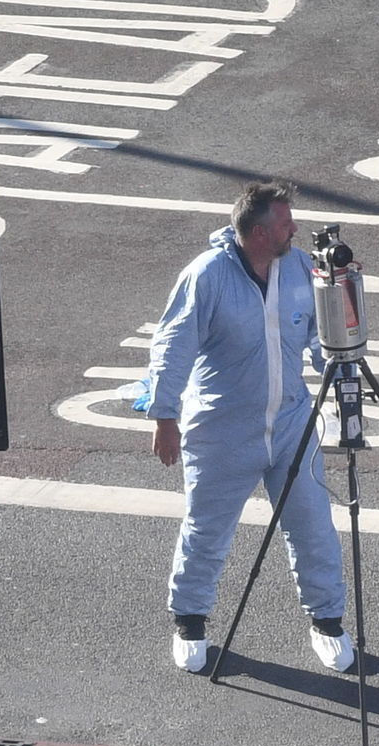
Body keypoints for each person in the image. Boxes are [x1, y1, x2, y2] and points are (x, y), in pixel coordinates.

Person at [134, 181, 354, 675]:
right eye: (284, 224)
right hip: (222, 429)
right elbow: (172, 347)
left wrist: (339, 367)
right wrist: (164, 417)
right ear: (258, 233)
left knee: (314, 525)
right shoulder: (207, 275)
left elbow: (320, 336)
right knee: (207, 529)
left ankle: (328, 621)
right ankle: (190, 621)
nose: (294, 229)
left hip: (292, 422)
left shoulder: (299, 267)